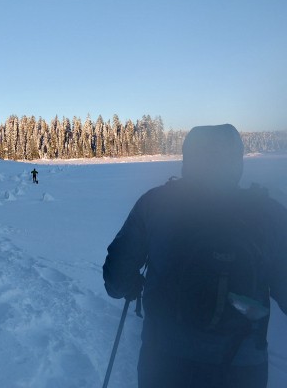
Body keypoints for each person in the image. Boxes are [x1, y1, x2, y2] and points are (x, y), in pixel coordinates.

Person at [103, 124, 287, 388]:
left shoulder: (156, 203)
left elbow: (115, 280)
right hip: (242, 367)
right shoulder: (269, 214)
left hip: (165, 361)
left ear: (189, 158)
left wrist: (133, 286)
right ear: (237, 161)